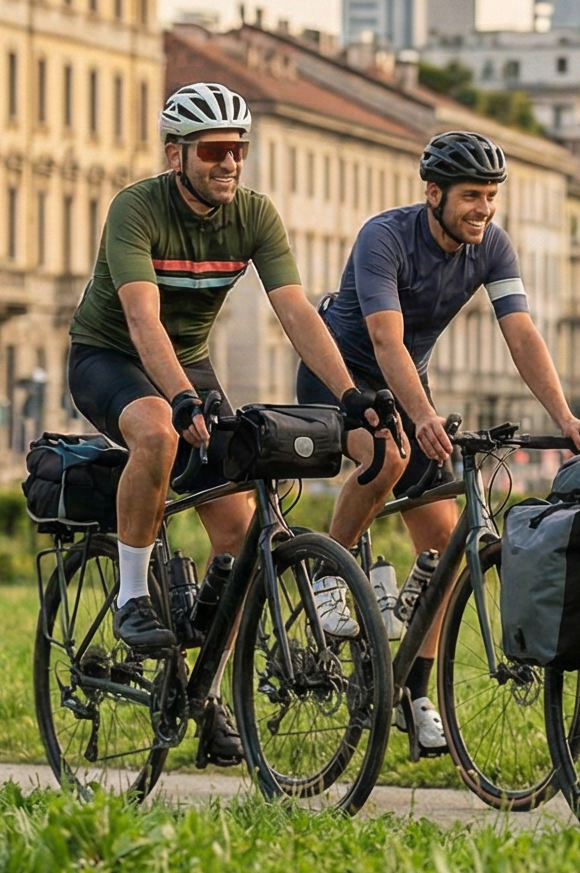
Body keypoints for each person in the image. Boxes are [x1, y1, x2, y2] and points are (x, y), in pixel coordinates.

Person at [66, 82, 380, 764]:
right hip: (110, 357)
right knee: (156, 431)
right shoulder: (137, 209)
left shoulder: (255, 216)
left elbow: (297, 313)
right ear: (178, 154)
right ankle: (130, 597)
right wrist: (181, 399)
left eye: (238, 150)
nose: (229, 163)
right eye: (214, 151)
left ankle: (204, 690)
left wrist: (350, 393)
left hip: (188, 365)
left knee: (241, 534)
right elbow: (143, 322)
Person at [303, 129, 580, 757]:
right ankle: (328, 569)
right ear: (433, 193)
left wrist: (567, 417)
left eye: (491, 197)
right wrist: (422, 418)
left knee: (447, 548)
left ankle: (412, 690)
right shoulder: (384, 237)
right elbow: (385, 341)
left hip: (410, 382)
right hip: (343, 376)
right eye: (471, 195)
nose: (483, 209)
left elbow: (521, 333)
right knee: (388, 454)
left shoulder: (491, 246)